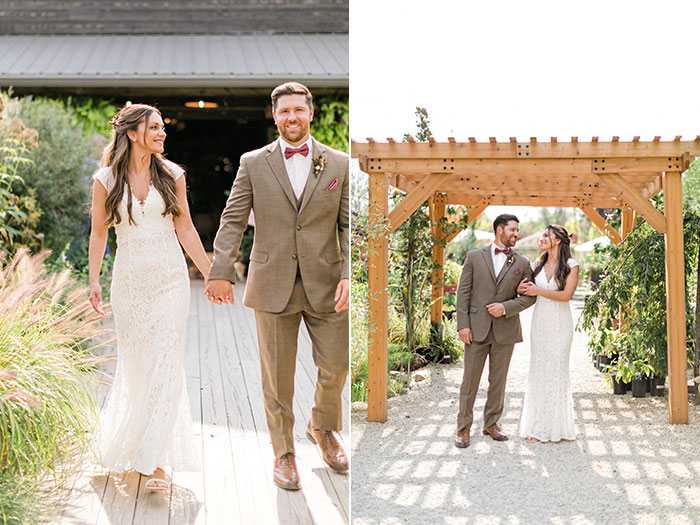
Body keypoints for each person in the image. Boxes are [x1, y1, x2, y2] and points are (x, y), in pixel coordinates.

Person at [204, 82, 349, 490]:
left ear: (310, 113)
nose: (291, 118)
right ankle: (283, 453)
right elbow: (233, 220)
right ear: (275, 116)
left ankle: (322, 426)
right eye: (284, 111)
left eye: (298, 111)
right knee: (277, 376)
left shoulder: (337, 163)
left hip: (327, 283)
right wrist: (220, 270)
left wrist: (348, 275)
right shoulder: (253, 163)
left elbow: (349, 225)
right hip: (272, 284)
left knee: (336, 365)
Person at [88, 104, 211, 490]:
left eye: (162, 127)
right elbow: (98, 233)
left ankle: (155, 462)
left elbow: (186, 228)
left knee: (167, 362)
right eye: (154, 128)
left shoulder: (173, 175)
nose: (162, 133)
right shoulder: (105, 179)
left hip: (170, 280)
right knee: (139, 367)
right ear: (132, 133)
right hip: (129, 283)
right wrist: (93, 280)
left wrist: (213, 274)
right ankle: (138, 444)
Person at [454, 214, 536, 448]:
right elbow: (463, 294)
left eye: (517, 230)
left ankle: (491, 423)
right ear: (500, 230)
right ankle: (463, 428)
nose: (516, 234)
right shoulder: (473, 257)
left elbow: (529, 298)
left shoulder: (522, 263)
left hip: (505, 330)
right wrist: (463, 325)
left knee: (498, 381)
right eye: (512, 230)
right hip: (476, 330)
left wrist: (506, 307)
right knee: (469, 381)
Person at [517, 225, 579, 443]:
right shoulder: (537, 265)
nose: (541, 238)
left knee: (556, 372)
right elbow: (526, 289)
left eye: (546, 235)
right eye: (542, 235)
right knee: (539, 370)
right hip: (540, 324)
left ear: (558, 240)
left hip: (560, 325)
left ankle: (554, 427)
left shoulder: (572, 265)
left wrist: (538, 291)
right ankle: (537, 425)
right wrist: (522, 289)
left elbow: (565, 296)